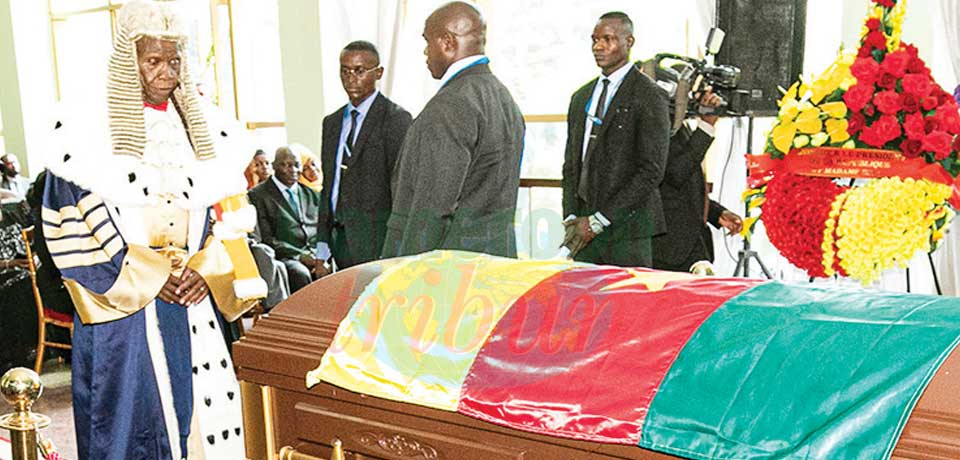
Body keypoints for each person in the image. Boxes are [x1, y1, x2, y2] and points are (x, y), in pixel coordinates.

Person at [40, 1, 265, 458]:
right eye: (154, 61)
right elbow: (71, 221)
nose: (167, 72)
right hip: (123, 315)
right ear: (130, 61)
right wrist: (150, 277)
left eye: (175, 60)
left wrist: (208, 271)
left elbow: (230, 218)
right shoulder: (82, 134)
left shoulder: (210, 128)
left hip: (193, 304)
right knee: (127, 430)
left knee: (204, 425)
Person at [382, 2, 524, 258]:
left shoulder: (450, 105)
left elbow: (433, 209)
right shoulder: (504, 98)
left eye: (428, 42)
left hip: (451, 272)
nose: (425, 52)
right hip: (495, 263)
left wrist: (405, 274)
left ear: (447, 42)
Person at [560, 11, 670, 267]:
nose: (598, 47)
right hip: (582, 230)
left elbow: (651, 171)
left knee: (628, 306)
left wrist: (599, 220)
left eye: (607, 39)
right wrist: (572, 216)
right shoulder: (581, 97)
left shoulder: (649, 95)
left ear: (628, 42)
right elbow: (571, 164)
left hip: (628, 231)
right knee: (583, 304)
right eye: (594, 39)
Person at [319, 41, 411, 269]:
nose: (351, 78)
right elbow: (329, 186)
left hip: (377, 243)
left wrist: (396, 246)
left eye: (360, 71)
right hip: (339, 241)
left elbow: (401, 187)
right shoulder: (332, 123)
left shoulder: (396, 119)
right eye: (345, 70)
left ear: (378, 72)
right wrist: (322, 244)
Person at [652, 89, 743, 271]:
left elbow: (685, 188)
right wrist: (706, 127)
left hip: (692, 245)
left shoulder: (679, 125)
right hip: (669, 249)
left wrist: (717, 214)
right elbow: (675, 173)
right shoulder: (655, 126)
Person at [248, 146, 325, 292]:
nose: (293, 170)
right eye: (286, 165)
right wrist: (301, 256)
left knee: (335, 270)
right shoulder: (258, 196)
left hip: (316, 253)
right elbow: (266, 238)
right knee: (300, 273)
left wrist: (321, 257)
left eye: (296, 165)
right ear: (275, 166)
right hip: (286, 256)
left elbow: (324, 230)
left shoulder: (312, 195)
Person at [0, 206, 37, 374]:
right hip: (4, 271)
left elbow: (30, 242)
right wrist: (10, 263)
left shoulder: (12, 213)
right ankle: (19, 352)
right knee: (19, 286)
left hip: (25, 268)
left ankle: (36, 345)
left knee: (37, 280)